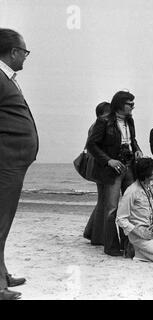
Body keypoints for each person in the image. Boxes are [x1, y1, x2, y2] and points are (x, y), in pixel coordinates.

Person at [0, 28, 38, 300]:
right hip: (5, 163)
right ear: (13, 52)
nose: (25, 57)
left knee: (4, 222)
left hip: (13, 162)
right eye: (24, 52)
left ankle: (1, 273)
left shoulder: (7, 78)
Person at [86, 91, 143, 256]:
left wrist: (137, 150)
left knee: (129, 207)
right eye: (130, 104)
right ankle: (111, 247)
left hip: (129, 166)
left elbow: (133, 140)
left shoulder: (130, 121)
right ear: (120, 104)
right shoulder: (104, 121)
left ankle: (128, 246)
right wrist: (108, 160)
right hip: (112, 170)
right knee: (111, 209)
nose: (133, 107)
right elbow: (92, 145)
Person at [83, 102, 110, 245]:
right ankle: (98, 237)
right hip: (101, 167)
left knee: (102, 200)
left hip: (97, 167)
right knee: (104, 201)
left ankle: (90, 232)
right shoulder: (99, 126)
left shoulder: (94, 126)